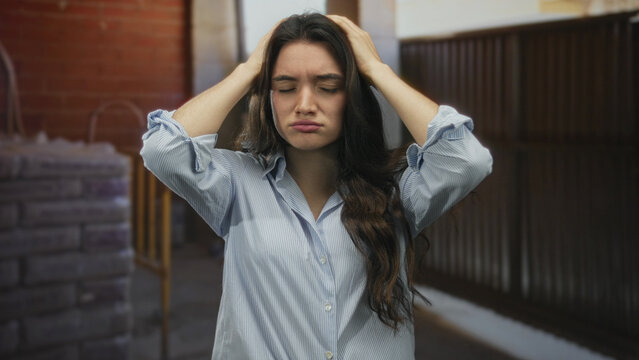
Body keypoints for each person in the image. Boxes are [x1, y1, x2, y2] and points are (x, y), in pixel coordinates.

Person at [141, 13, 492, 360]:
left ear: (352, 97)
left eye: (327, 87)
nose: (305, 105)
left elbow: (466, 159)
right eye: (286, 87)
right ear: (268, 96)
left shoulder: (396, 191)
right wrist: (249, 69)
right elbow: (163, 149)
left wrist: (377, 71)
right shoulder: (236, 183)